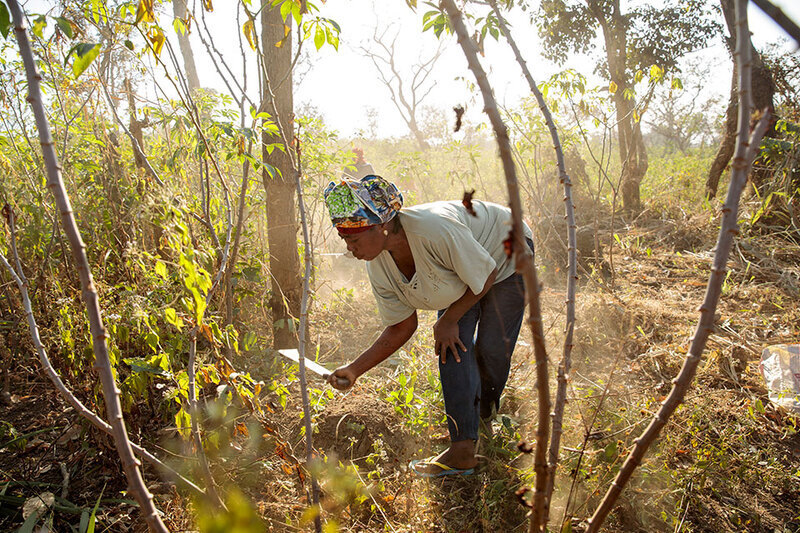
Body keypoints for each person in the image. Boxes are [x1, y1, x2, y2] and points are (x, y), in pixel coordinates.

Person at [323, 175, 533, 477]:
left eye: (354, 240)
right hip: (464, 273)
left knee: (491, 349)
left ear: (382, 225)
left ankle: (485, 415)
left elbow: (486, 275)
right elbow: (401, 326)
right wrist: (354, 370)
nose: (349, 249)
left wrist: (448, 319)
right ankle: (462, 449)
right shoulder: (379, 264)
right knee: (453, 346)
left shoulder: (434, 230)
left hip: (506, 252)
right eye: (345, 241)